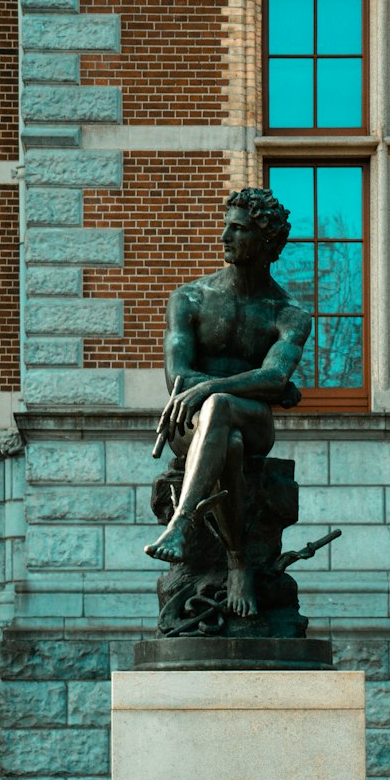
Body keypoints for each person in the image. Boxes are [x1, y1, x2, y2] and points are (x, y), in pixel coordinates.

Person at [144, 187, 311, 618]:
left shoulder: (287, 313)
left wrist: (210, 389)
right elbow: (176, 379)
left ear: (268, 242)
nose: (225, 236)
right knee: (227, 439)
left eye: (238, 229)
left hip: (251, 422)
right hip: (189, 423)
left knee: (219, 406)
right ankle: (238, 560)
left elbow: (275, 376)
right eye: (227, 226)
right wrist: (257, 385)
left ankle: (182, 523)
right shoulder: (191, 298)